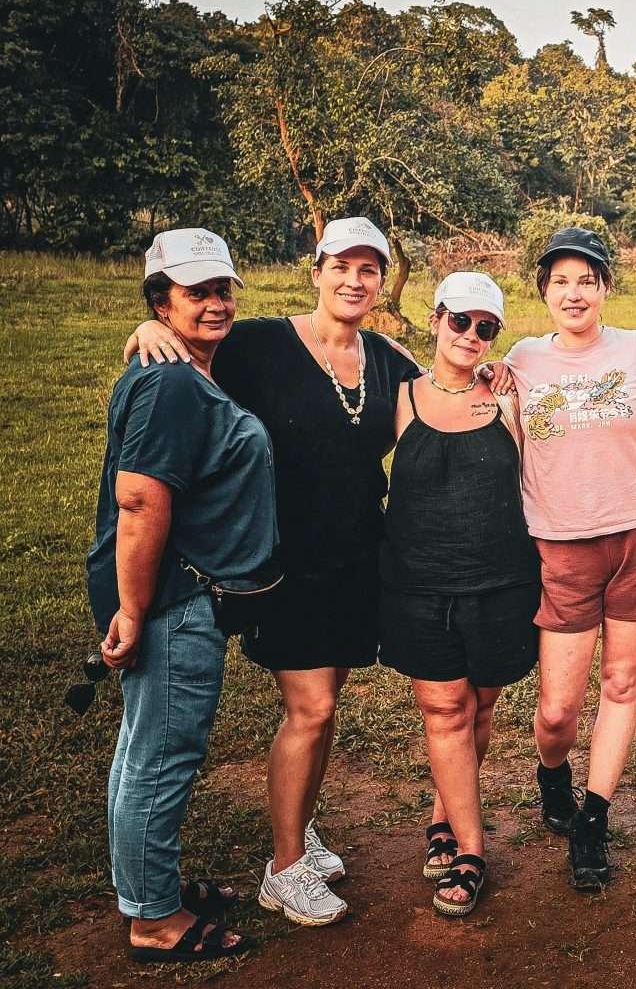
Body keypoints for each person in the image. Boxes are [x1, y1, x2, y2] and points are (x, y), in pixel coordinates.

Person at [125, 217, 419, 926]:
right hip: (284, 558)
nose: (354, 280)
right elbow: (174, 369)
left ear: (382, 281)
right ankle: (284, 868)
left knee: (327, 705)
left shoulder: (385, 358)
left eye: (368, 269)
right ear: (314, 270)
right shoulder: (257, 343)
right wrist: (142, 334)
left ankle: (301, 829)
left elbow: (441, 399)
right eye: (340, 266)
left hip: (357, 556)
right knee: (310, 709)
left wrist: (496, 374)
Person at [88, 229, 278, 962]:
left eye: (223, 288)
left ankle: (145, 882)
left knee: (144, 745)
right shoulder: (170, 381)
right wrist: (134, 611)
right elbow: (138, 501)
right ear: (160, 301)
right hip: (171, 599)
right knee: (163, 753)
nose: (216, 302)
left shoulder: (188, 368)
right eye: (197, 291)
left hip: (173, 595)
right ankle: (153, 920)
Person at [489, 226, 636, 890]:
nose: (574, 292)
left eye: (586, 280)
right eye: (560, 281)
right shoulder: (521, 360)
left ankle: (593, 823)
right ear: (543, 290)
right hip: (562, 548)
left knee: (624, 685)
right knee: (557, 711)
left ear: (605, 287)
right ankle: (553, 776)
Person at [378, 272, 540, 917]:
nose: (471, 336)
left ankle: (445, 814)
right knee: (444, 709)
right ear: (437, 318)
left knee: (478, 707)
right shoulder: (398, 397)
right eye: (460, 322)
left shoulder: (507, 400)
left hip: (502, 580)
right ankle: (471, 850)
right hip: (418, 584)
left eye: (486, 327)